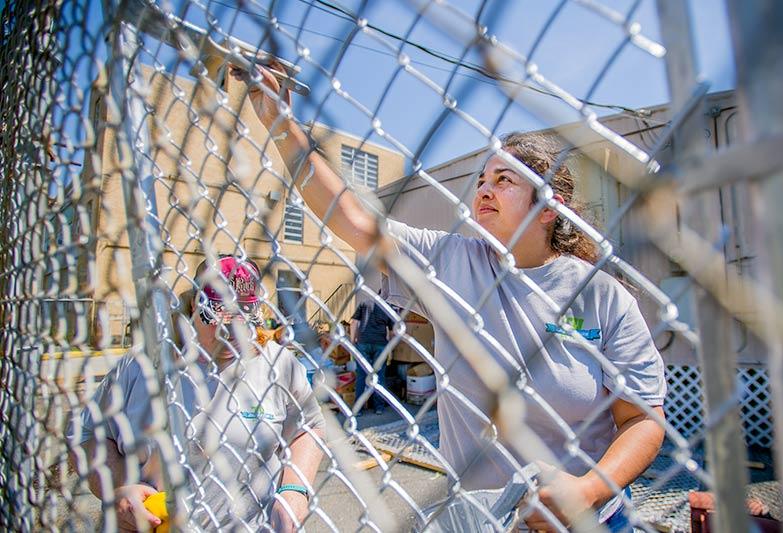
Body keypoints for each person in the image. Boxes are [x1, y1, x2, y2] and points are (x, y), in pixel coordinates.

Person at [234, 63, 666, 532]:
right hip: (481, 521)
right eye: (482, 179)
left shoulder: (599, 293)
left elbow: (643, 421)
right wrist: (280, 123)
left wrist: (588, 490)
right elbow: (352, 217)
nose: (484, 189)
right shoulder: (453, 262)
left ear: (548, 207)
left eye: (504, 180)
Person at [67, 255, 326, 532]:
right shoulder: (144, 364)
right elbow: (86, 433)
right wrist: (118, 487)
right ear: (194, 304)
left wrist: (294, 489)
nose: (229, 333)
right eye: (217, 318)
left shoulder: (279, 365)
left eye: (241, 321)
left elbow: (308, 427)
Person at [350, 291, 395, 415]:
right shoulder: (388, 308)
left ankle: (358, 409)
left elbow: (353, 322)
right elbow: (392, 331)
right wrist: (389, 345)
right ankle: (378, 407)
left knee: (361, 375)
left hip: (363, 342)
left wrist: (353, 341)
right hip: (380, 344)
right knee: (379, 376)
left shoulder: (364, 304)